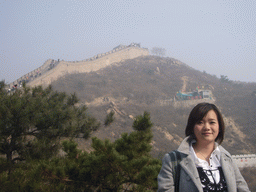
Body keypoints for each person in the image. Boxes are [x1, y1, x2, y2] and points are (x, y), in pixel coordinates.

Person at [157, 102, 250, 192]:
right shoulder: (173, 160)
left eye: (212, 122)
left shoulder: (227, 158)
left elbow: (242, 188)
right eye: (200, 122)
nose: (206, 127)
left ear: (219, 126)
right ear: (192, 126)